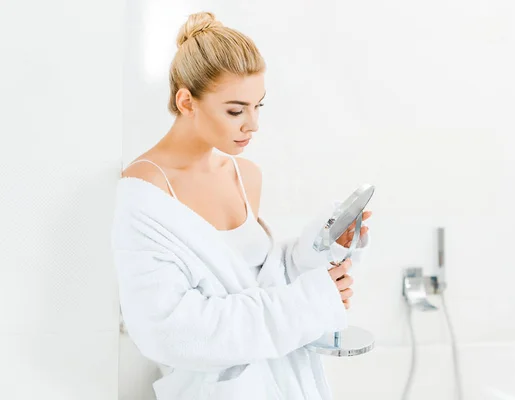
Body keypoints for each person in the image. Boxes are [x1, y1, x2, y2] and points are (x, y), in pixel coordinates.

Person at [111, 11, 372, 400]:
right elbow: (167, 330)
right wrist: (310, 302)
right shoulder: (146, 192)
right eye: (236, 110)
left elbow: (256, 281)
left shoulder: (245, 174)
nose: (253, 125)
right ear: (186, 101)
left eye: (258, 106)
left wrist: (318, 252)